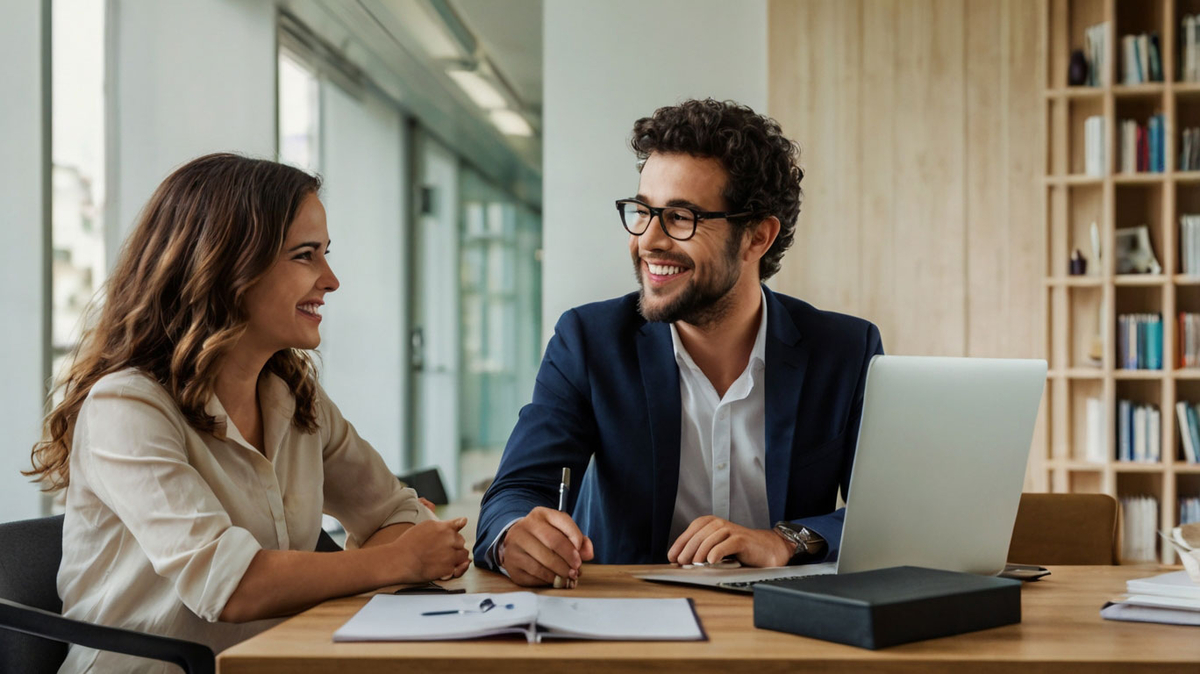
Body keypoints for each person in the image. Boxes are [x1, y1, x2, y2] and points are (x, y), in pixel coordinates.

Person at [27, 153, 470, 673]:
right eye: (305, 256)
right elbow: (227, 585)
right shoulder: (126, 407)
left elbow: (397, 512)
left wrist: (401, 547)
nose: (331, 280)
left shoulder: (294, 397)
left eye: (326, 254)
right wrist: (397, 559)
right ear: (226, 266)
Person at [474, 99, 883, 587]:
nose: (649, 240)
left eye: (681, 218)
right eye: (643, 212)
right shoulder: (588, 341)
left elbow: (889, 511)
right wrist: (515, 534)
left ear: (758, 237)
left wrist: (785, 540)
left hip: (788, 629)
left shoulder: (845, 349)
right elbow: (516, 491)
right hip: (628, 623)